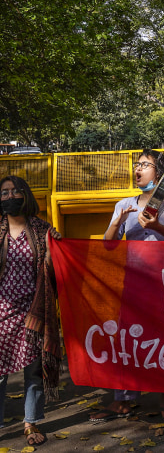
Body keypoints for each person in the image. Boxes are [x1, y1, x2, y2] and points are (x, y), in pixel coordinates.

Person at [90, 149, 164, 423]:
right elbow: (108, 244)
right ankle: (122, 400)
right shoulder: (124, 204)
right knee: (128, 339)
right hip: (133, 283)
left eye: (145, 165)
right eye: (137, 165)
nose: (138, 170)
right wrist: (118, 222)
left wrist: (157, 226)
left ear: (161, 173)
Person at [0, 175, 62, 447]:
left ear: (25, 195)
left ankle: (30, 422)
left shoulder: (41, 229)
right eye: (3, 193)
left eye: (15, 191)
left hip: (34, 310)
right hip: (1, 310)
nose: (9, 196)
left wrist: (57, 247)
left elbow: (59, 267)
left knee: (33, 371)